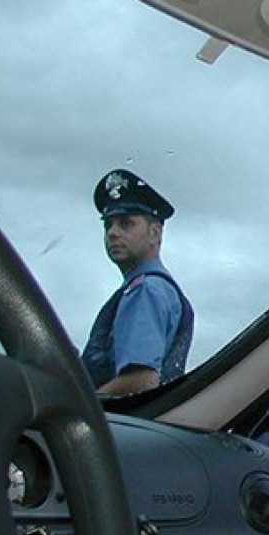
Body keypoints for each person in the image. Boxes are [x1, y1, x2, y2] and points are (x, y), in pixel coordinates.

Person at [81, 168, 194, 396]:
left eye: (125, 223)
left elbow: (141, 380)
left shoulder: (145, 290)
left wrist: (80, 410)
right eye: (108, 225)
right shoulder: (154, 288)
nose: (112, 233)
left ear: (154, 233)